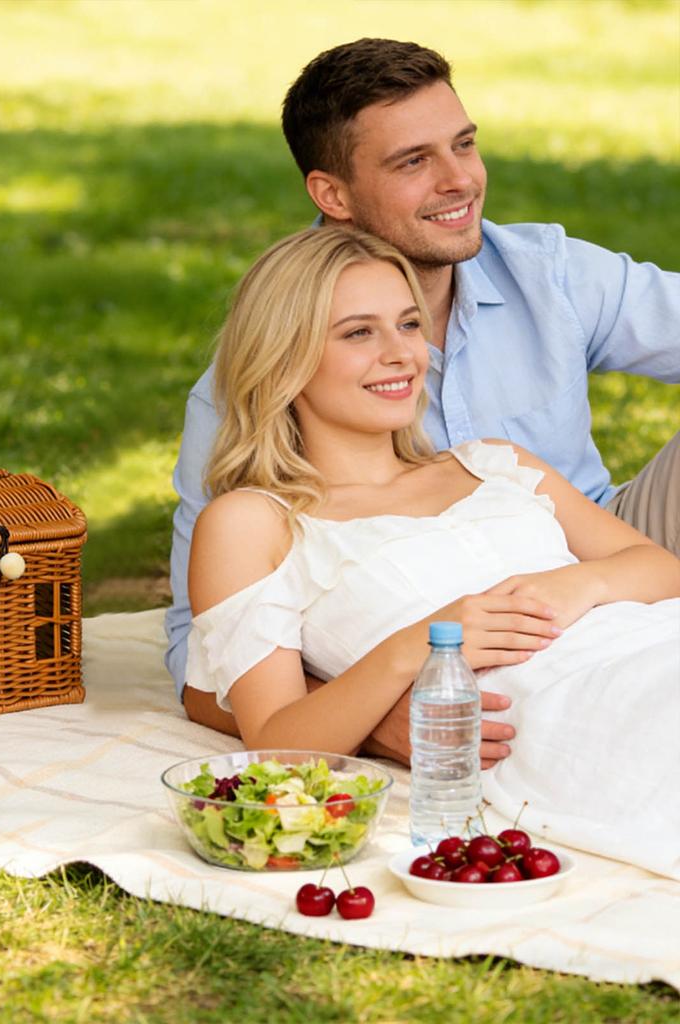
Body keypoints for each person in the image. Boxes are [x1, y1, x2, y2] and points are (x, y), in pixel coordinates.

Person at [166, 38, 680, 762]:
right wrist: (376, 716)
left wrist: (579, 584)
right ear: (333, 194)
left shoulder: (549, 278)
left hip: (592, 546)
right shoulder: (243, 406)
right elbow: (205, 658)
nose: (459, 180)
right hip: (504, 664)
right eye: (413, 162)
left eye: (464, 145)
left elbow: (645, 565)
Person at [184, 225, 680, 878]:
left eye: (410, 325)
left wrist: (577, 585)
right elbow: (276, 742)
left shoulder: (495, 464)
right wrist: (417, 647)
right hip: (582, 709)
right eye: (359, 332)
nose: (401, 354)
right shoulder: (254, 522)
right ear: (285, 358)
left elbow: (661, 569)